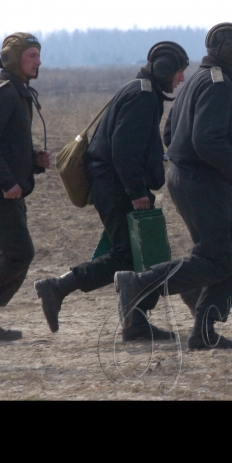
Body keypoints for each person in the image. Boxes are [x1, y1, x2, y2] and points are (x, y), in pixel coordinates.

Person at [115, 23, 232, 351]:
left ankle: (203, 331)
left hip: (193, 179)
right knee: (215, 259)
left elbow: (170, 133)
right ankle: (138, 284)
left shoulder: (199, 79)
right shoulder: (217, 84)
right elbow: (206, 140)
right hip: (202, 183)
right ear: (227, 52)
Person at [35, 42, 189, 340]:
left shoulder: (142, 90)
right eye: (180, 72)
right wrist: (136, 191)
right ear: (166, 70)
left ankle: (135, 322)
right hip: (115, 184)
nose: (181, 79)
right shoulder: (143, 95)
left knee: (136, 254)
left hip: (113, 182)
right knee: (129, 255)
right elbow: (123, 148)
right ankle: (59, 287)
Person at [0, 33, 51, 341]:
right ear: (13, 60)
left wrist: (33, 160)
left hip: (9, 191)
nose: (38, 61)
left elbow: (8, 144)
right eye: (31, 56)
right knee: (18, 253)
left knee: (18, 255)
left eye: (39, 55)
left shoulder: (19, 93)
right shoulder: (4, 94)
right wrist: (6, 182)